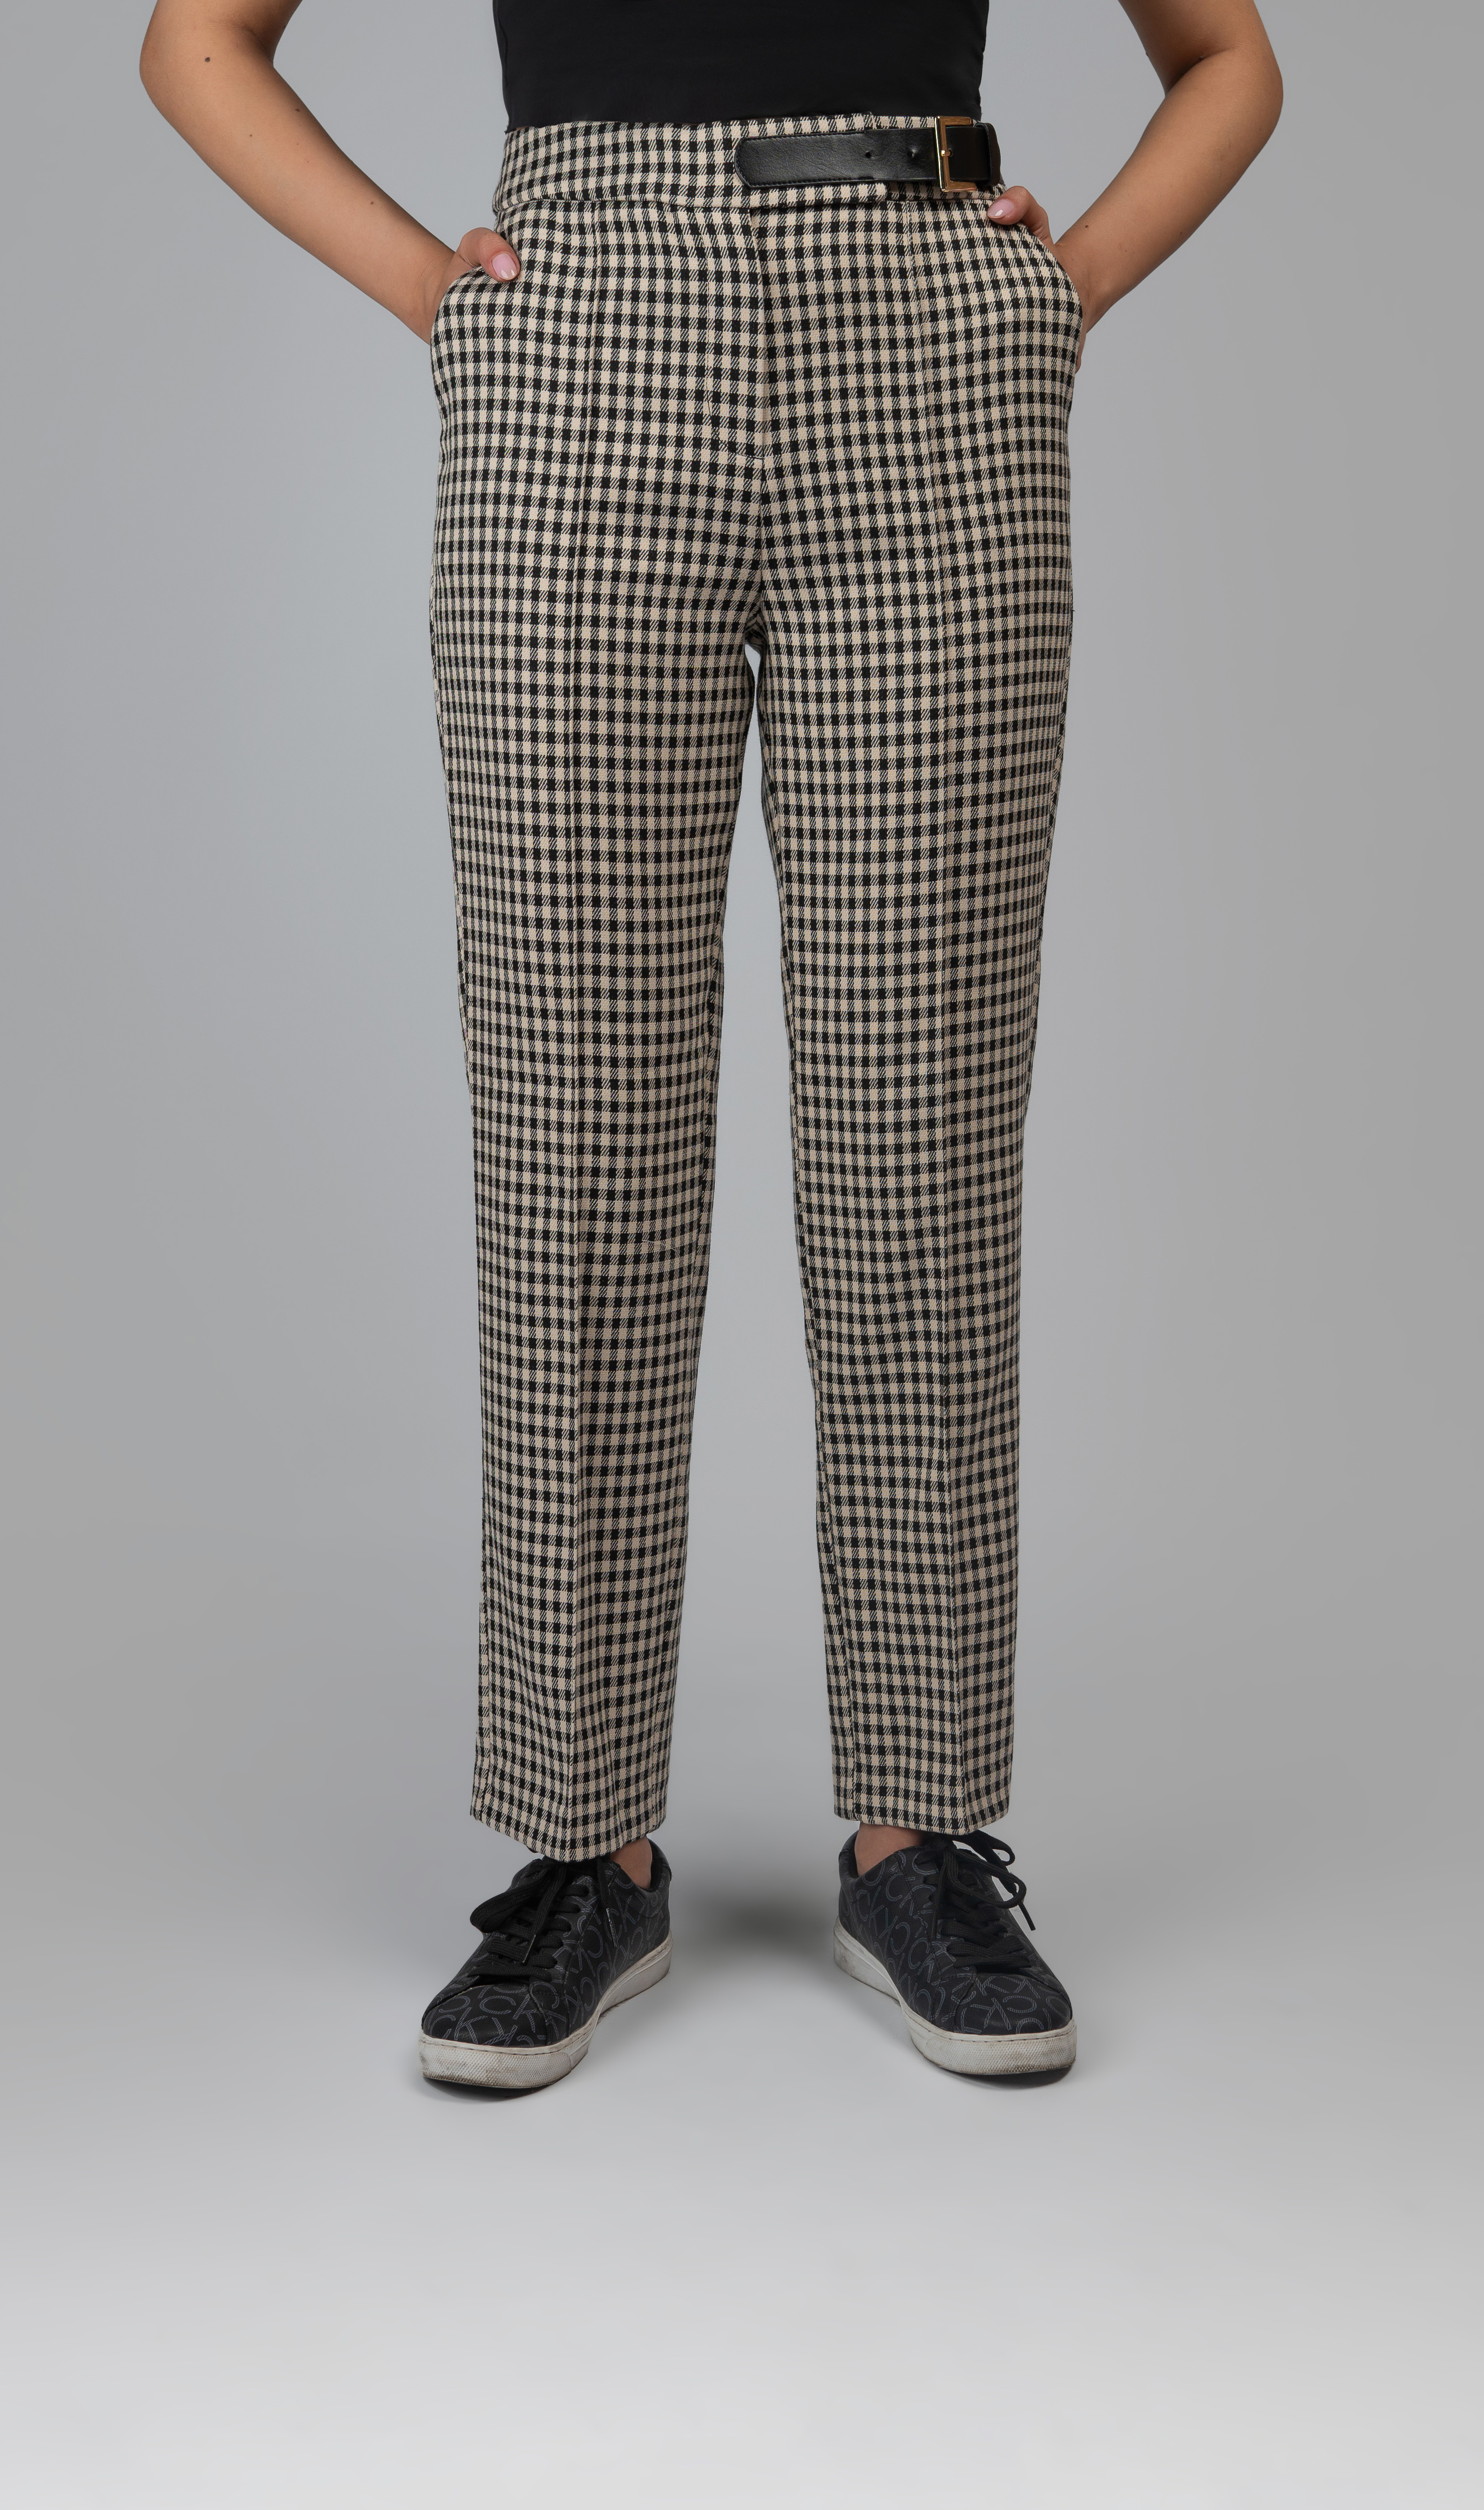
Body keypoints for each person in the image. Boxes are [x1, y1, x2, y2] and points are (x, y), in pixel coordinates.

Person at [141, 0, 1282, 2090]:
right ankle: (585, 1843)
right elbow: (197, 40)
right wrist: (441, 297)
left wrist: (1059, 292)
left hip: (926, 344)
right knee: (576, 1119)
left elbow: (1230, 58)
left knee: (920, 1117)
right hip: (583, 340)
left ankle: (921, 1833)